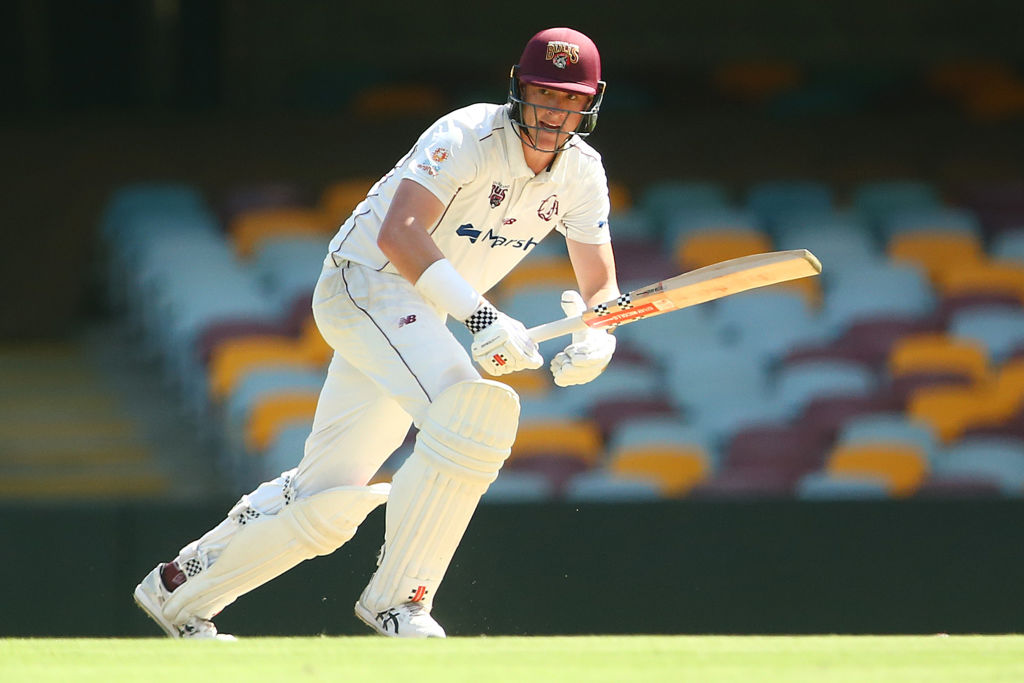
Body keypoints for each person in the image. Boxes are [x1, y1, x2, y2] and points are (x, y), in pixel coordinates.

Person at [133, 26, 620, 640]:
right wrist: (480, 317)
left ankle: (179, 590)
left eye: (570, 99)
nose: (555, 112)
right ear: (518, 89)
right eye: (544, 94)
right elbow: (399, 234)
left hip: (418, 315)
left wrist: (600, 339)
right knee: (473, 412)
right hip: (366, 283)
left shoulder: (581, 173)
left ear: (590, 102)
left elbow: (601, 286)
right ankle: (400, 602)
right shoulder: (466, 134)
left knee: (327, 498)